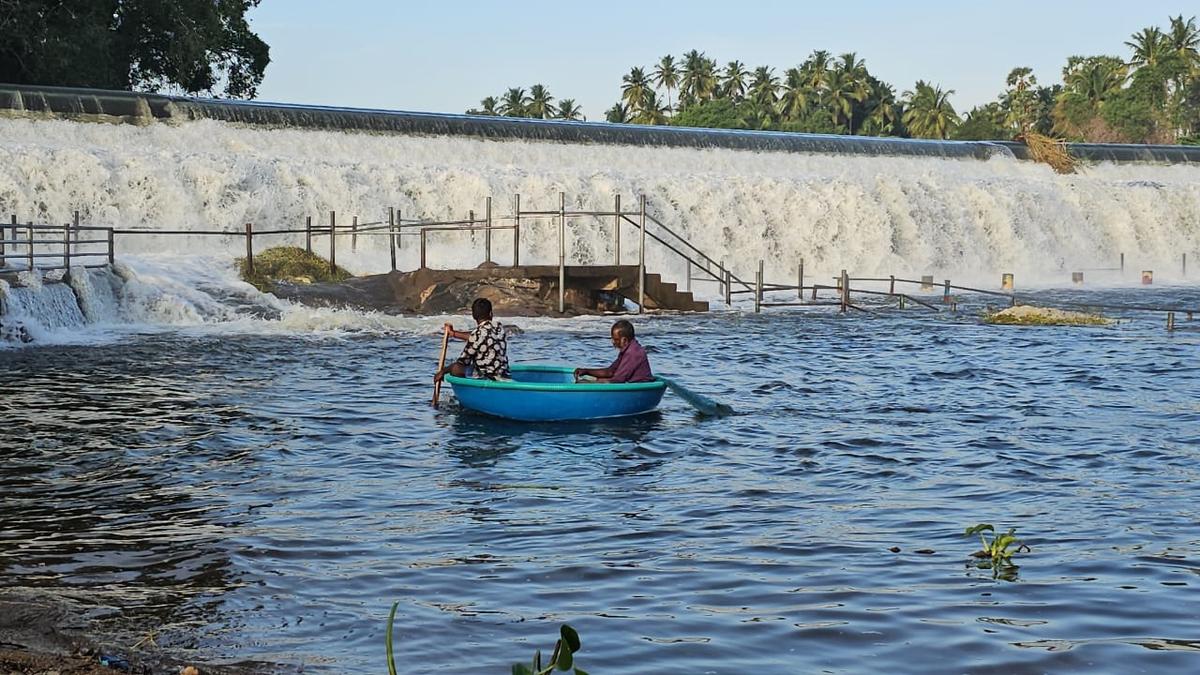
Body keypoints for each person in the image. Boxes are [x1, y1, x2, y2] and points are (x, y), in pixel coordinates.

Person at [434, 298, 510, 383]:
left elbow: (463, 361)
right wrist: (453, 333)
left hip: (487, 376)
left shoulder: (477, 335)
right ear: (491, 314)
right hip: (503, 373)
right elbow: (479, 336)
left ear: (473, 316)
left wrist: (443, 371)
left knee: (455, 368)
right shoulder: (499, 328)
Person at [574, 319, 653, 383]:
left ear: (624, 340)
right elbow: (610, 372)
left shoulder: (633, 353)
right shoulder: (627, 350)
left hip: (639, 388)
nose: (613, 342)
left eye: (616, 339)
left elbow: (617, 380)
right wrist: (586, 371)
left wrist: (590, 382)